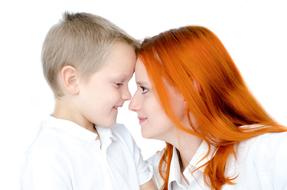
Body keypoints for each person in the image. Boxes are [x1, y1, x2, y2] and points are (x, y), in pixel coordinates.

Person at [129, 26, 287, 190]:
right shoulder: (148, 176)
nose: (133, 105)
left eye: (144, 89)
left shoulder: (271, 154)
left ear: (188, 88)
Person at [21, 12, 156, 190]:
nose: (128, 95)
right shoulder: (48, 156)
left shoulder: (121, 136)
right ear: (72, 81)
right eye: (118, 83)